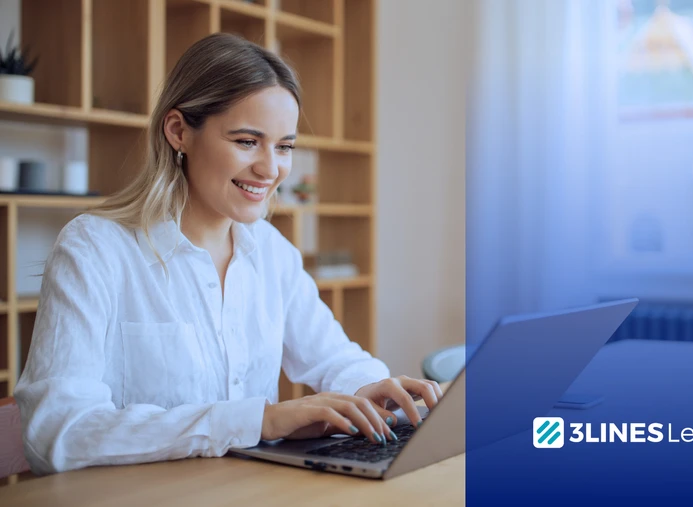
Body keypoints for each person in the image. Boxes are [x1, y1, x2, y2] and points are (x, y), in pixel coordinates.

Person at [14, 33, 441, 476]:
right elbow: (56, 432)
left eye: (285, 146)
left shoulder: (271, 252)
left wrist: (375, 389)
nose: (271, 168)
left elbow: (332, 358)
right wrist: (258, 421)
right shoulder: (94, 250)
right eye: (246, 141)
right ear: (179, 131)